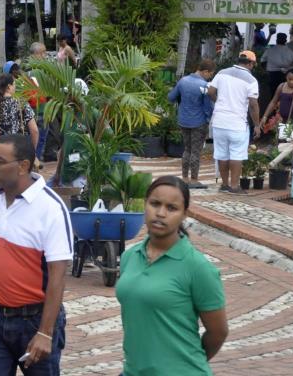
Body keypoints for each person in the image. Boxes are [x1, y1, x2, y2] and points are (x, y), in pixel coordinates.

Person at [0, 134, 72, 375]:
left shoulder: (50, 208)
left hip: (34, 321)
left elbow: (58, 276)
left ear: (23, 166)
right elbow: (2, 250)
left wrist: (45, 332)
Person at [116, 176, 228, 375]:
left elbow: (218, 332)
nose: (160, 213)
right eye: (155, 204)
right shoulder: (129, 257)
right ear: (145, 204)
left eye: (171, 208)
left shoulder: (197, 267)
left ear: (185, 214)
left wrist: (182, 364)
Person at [207, 50, 261, 194]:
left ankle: (224, 185)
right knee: (237, 154)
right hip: (237, 123)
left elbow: (210, 92)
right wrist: (257, 124)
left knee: (222, 153)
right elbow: (253, 104)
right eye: (253, 64)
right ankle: (235, 186)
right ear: (250, 63)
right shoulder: (251, 80)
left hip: (219, 122)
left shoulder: (222, 73)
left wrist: (219, 102)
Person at [168, 59, 216, 188]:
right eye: (210, 74)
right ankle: (194, 180)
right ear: (205, 71)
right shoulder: (204, 86)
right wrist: (208, 118)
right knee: (196, 151)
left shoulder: (183, 81)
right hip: (199, 122)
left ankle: (184, 178)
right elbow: (208, 107)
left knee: (187, 149)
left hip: (183, 120)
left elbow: (171, 97)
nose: (210, 77)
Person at [0, 73, 39, 150]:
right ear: (9, 87)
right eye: (14, 84)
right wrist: (33, 151)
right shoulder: (21, 103)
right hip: (16, 151)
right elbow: (34, 130)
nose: (15, 87)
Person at [260, 66, 293, 132]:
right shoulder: (281, 86)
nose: (291, 82)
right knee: (284, 140)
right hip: (283, 120)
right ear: (286, 77)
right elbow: (273, 102)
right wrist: (265, 116)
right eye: (289, 79)